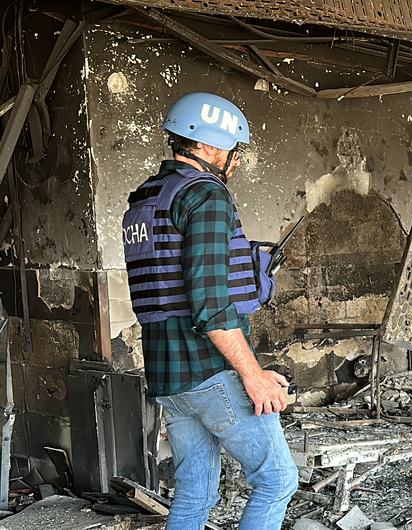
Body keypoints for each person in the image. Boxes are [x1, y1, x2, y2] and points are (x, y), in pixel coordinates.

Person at [122, 92, 297, 530]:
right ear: (211, 147)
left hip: (168, 375)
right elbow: (211, 306)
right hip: (208, 369)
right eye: (234, 151)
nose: (235, 162)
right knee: (277, 480)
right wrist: (252, 375)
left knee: (195, 491)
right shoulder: (206, 196)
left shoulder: (144, 201)